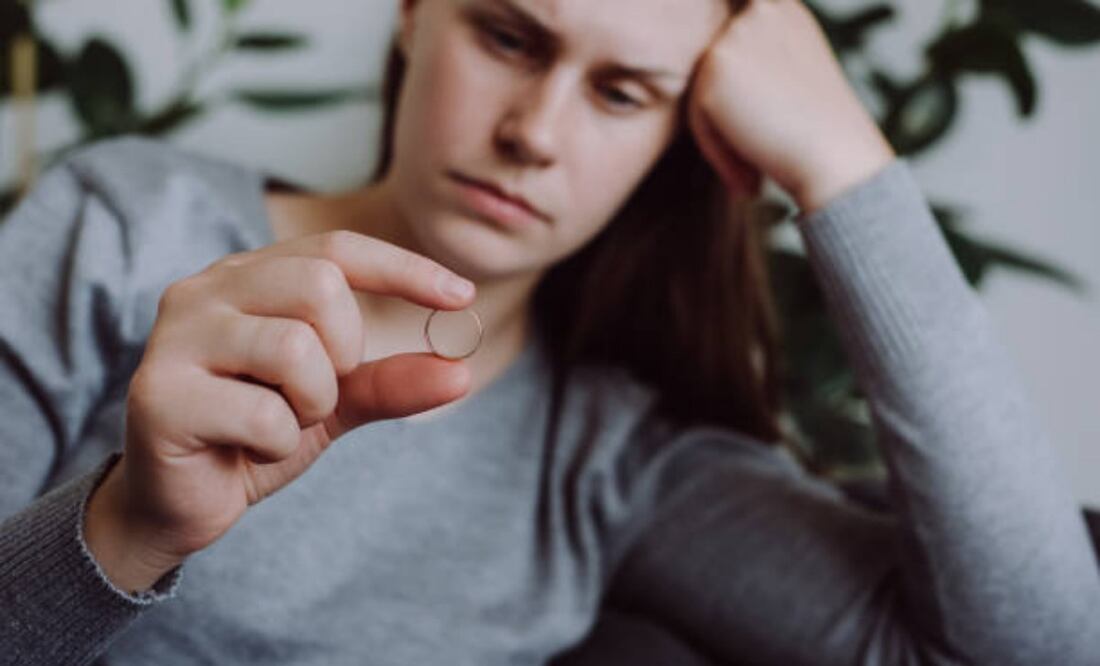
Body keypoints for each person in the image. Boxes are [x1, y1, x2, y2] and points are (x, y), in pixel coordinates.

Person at [1, 0, 1097, 663]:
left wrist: (842, 166)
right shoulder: (131, 227)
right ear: (412, 13)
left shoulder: (614, 460)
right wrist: (128, 528)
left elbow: (1035, 647)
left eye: (621, 92)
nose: (532, 132)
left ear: (687, 137)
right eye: (509, 36)